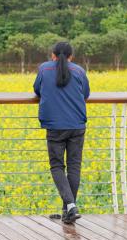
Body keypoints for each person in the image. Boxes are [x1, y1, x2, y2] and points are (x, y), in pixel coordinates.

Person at [33, 42, 90, 224]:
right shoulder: (80, 71)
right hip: (76, 125)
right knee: (74, 166)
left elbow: (36, 89)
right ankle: (69, 210)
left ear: (53, 55)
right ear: (71, 57)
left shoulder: (44, 69)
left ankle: (70, 206)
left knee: (57, 166)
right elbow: (86, 93)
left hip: (55, 126)